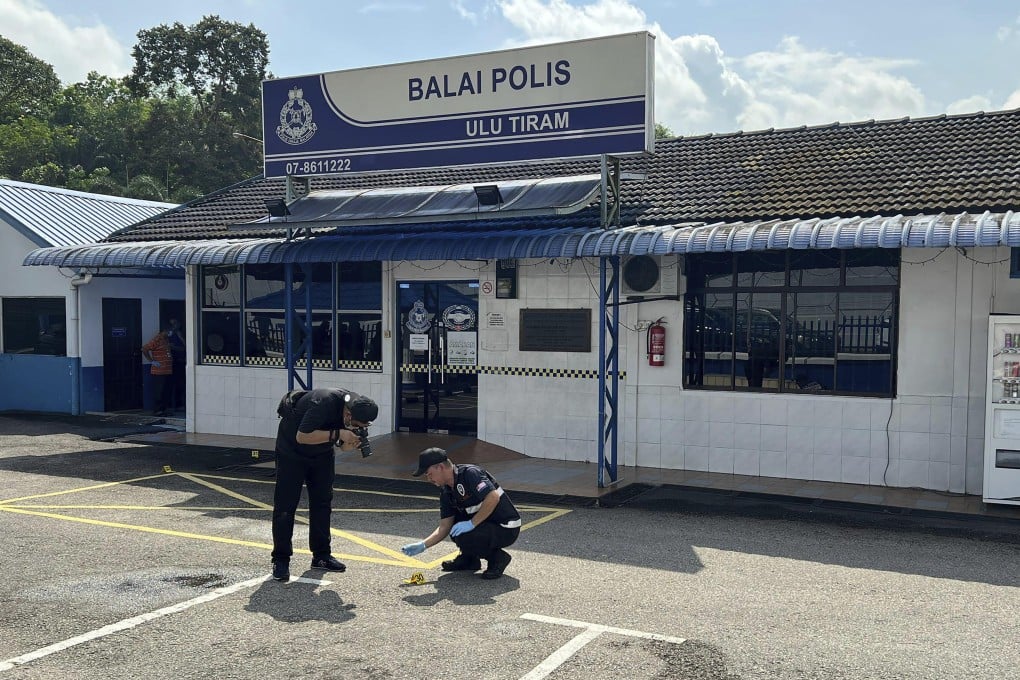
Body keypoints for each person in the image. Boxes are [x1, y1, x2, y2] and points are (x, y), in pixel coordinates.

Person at [270, 387, 379, 582]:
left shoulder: (356, 410)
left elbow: (343, 446)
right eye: (354, 424)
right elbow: (302, 436)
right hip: (291, 452)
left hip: (321, 455)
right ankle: (281, 559)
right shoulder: (323, 403)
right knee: (285, 507)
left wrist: (351, 441)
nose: (354, 426)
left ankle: (321, 556)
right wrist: (339, 434)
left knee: (322, 503)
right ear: (347, 413)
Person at [400, 447, 521, 580]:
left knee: (466, 533)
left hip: (505, 527)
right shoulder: (446, 492)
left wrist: (471, 523)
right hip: (486, 525)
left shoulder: (470, 474)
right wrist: (423, 545)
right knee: (455, 528)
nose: (429, 479)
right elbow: (444, 526)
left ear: (440, 467)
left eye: (429, 474)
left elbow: (493, 497)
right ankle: (469, 559)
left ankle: (498, 558)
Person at [141, 328, 173, 416]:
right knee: (159, 391)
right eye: (168, 331)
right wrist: (151, 361)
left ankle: (164, 409)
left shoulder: (166, 340)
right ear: (163, 331)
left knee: (166, 391)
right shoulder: (157, 339)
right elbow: (144, 349)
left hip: (167, 371)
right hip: (159, 371)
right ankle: (158, 410)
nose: (170, 332)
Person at [166, 318, 186, 411]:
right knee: (170, 384)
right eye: (172, 324)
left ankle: (179, 404)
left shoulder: (181, 334)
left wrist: (174, 346)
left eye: (175, 323)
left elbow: (185, 348)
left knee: (180, 384)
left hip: (180, 361)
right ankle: (170, 405)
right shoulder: (167, 334)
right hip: (170, 362)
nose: (174, 326)